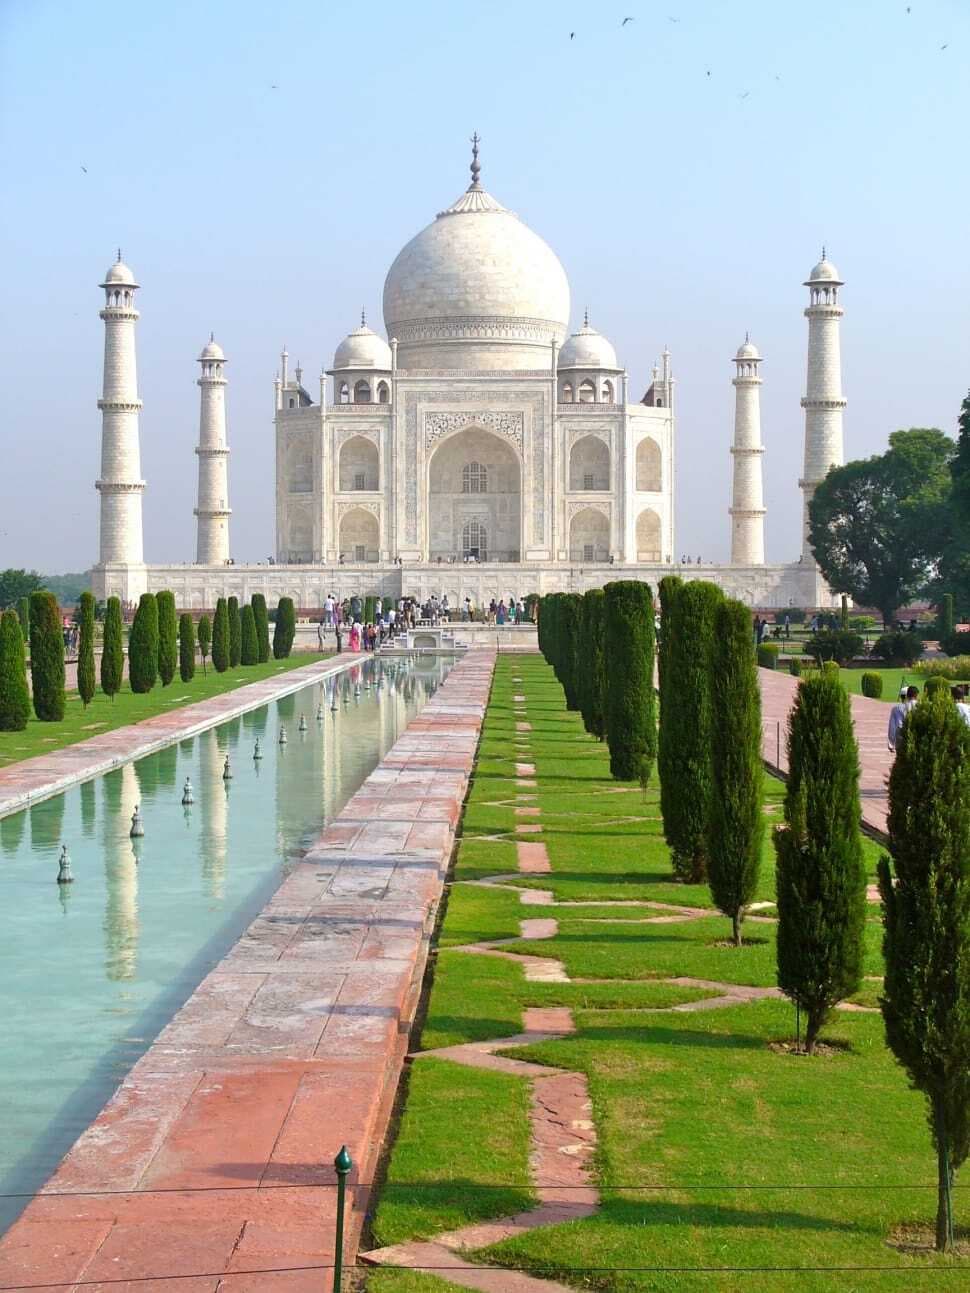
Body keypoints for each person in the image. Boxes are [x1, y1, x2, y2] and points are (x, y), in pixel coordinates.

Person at [888, 685, 919, 752]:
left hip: (901, 737)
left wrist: (891, 743)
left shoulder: (896, 708)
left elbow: (892, 727)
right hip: (916, 738)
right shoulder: (922, 707)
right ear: (917, 696)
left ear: (907, 695)